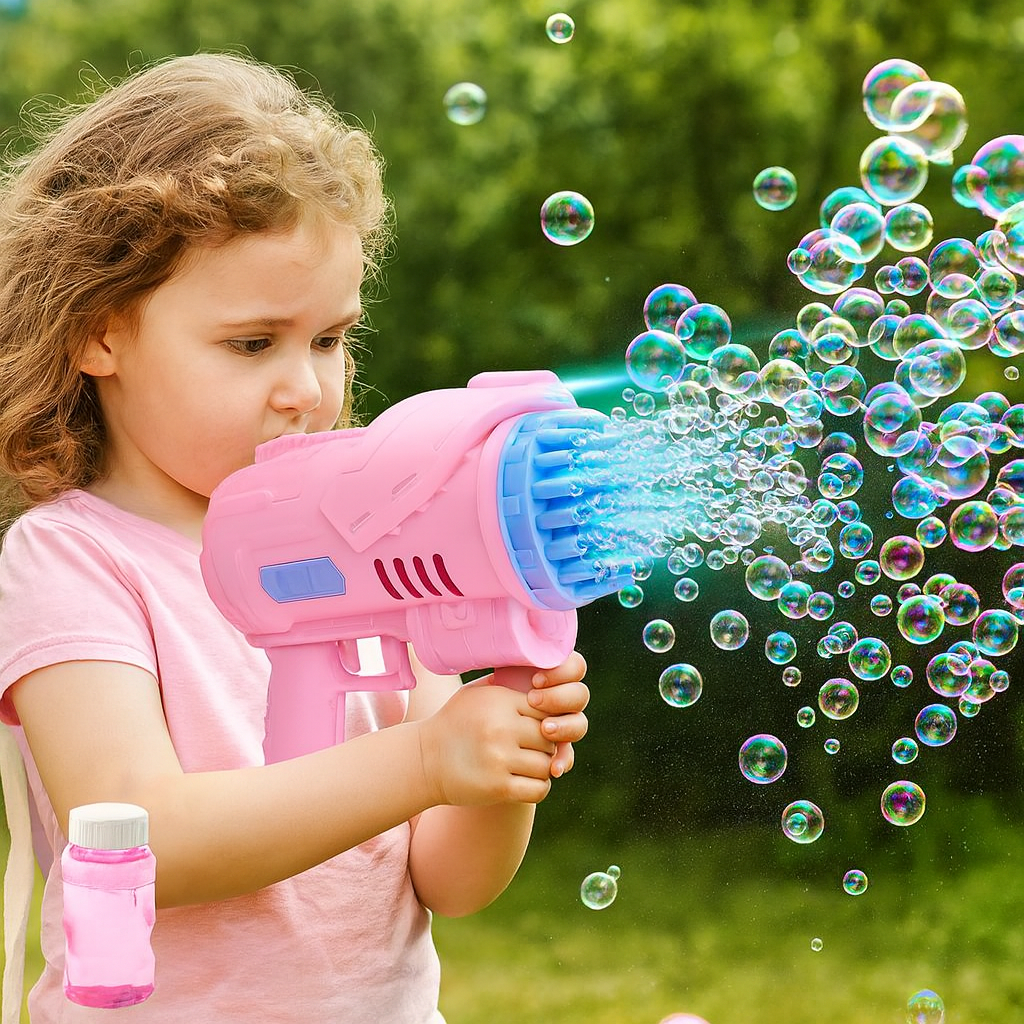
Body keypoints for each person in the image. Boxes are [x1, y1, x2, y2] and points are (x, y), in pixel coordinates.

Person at [0, 52, 590, 1023]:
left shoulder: (376, 538)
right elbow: (148, 838)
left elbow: (448, 878)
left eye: (329, 340)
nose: (306, 388)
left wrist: (498, 759)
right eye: (251, 343)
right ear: (99, 333)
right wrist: (424, 761)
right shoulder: (73, 559)